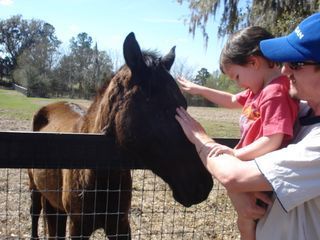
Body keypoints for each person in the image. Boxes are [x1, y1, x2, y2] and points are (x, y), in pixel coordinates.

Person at [175, 12, 320, 240]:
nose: (284, 70)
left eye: (296, 63)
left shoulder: (278, 98)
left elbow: (235, 175)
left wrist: (204, 141)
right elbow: (233, 101)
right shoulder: (303, 110)